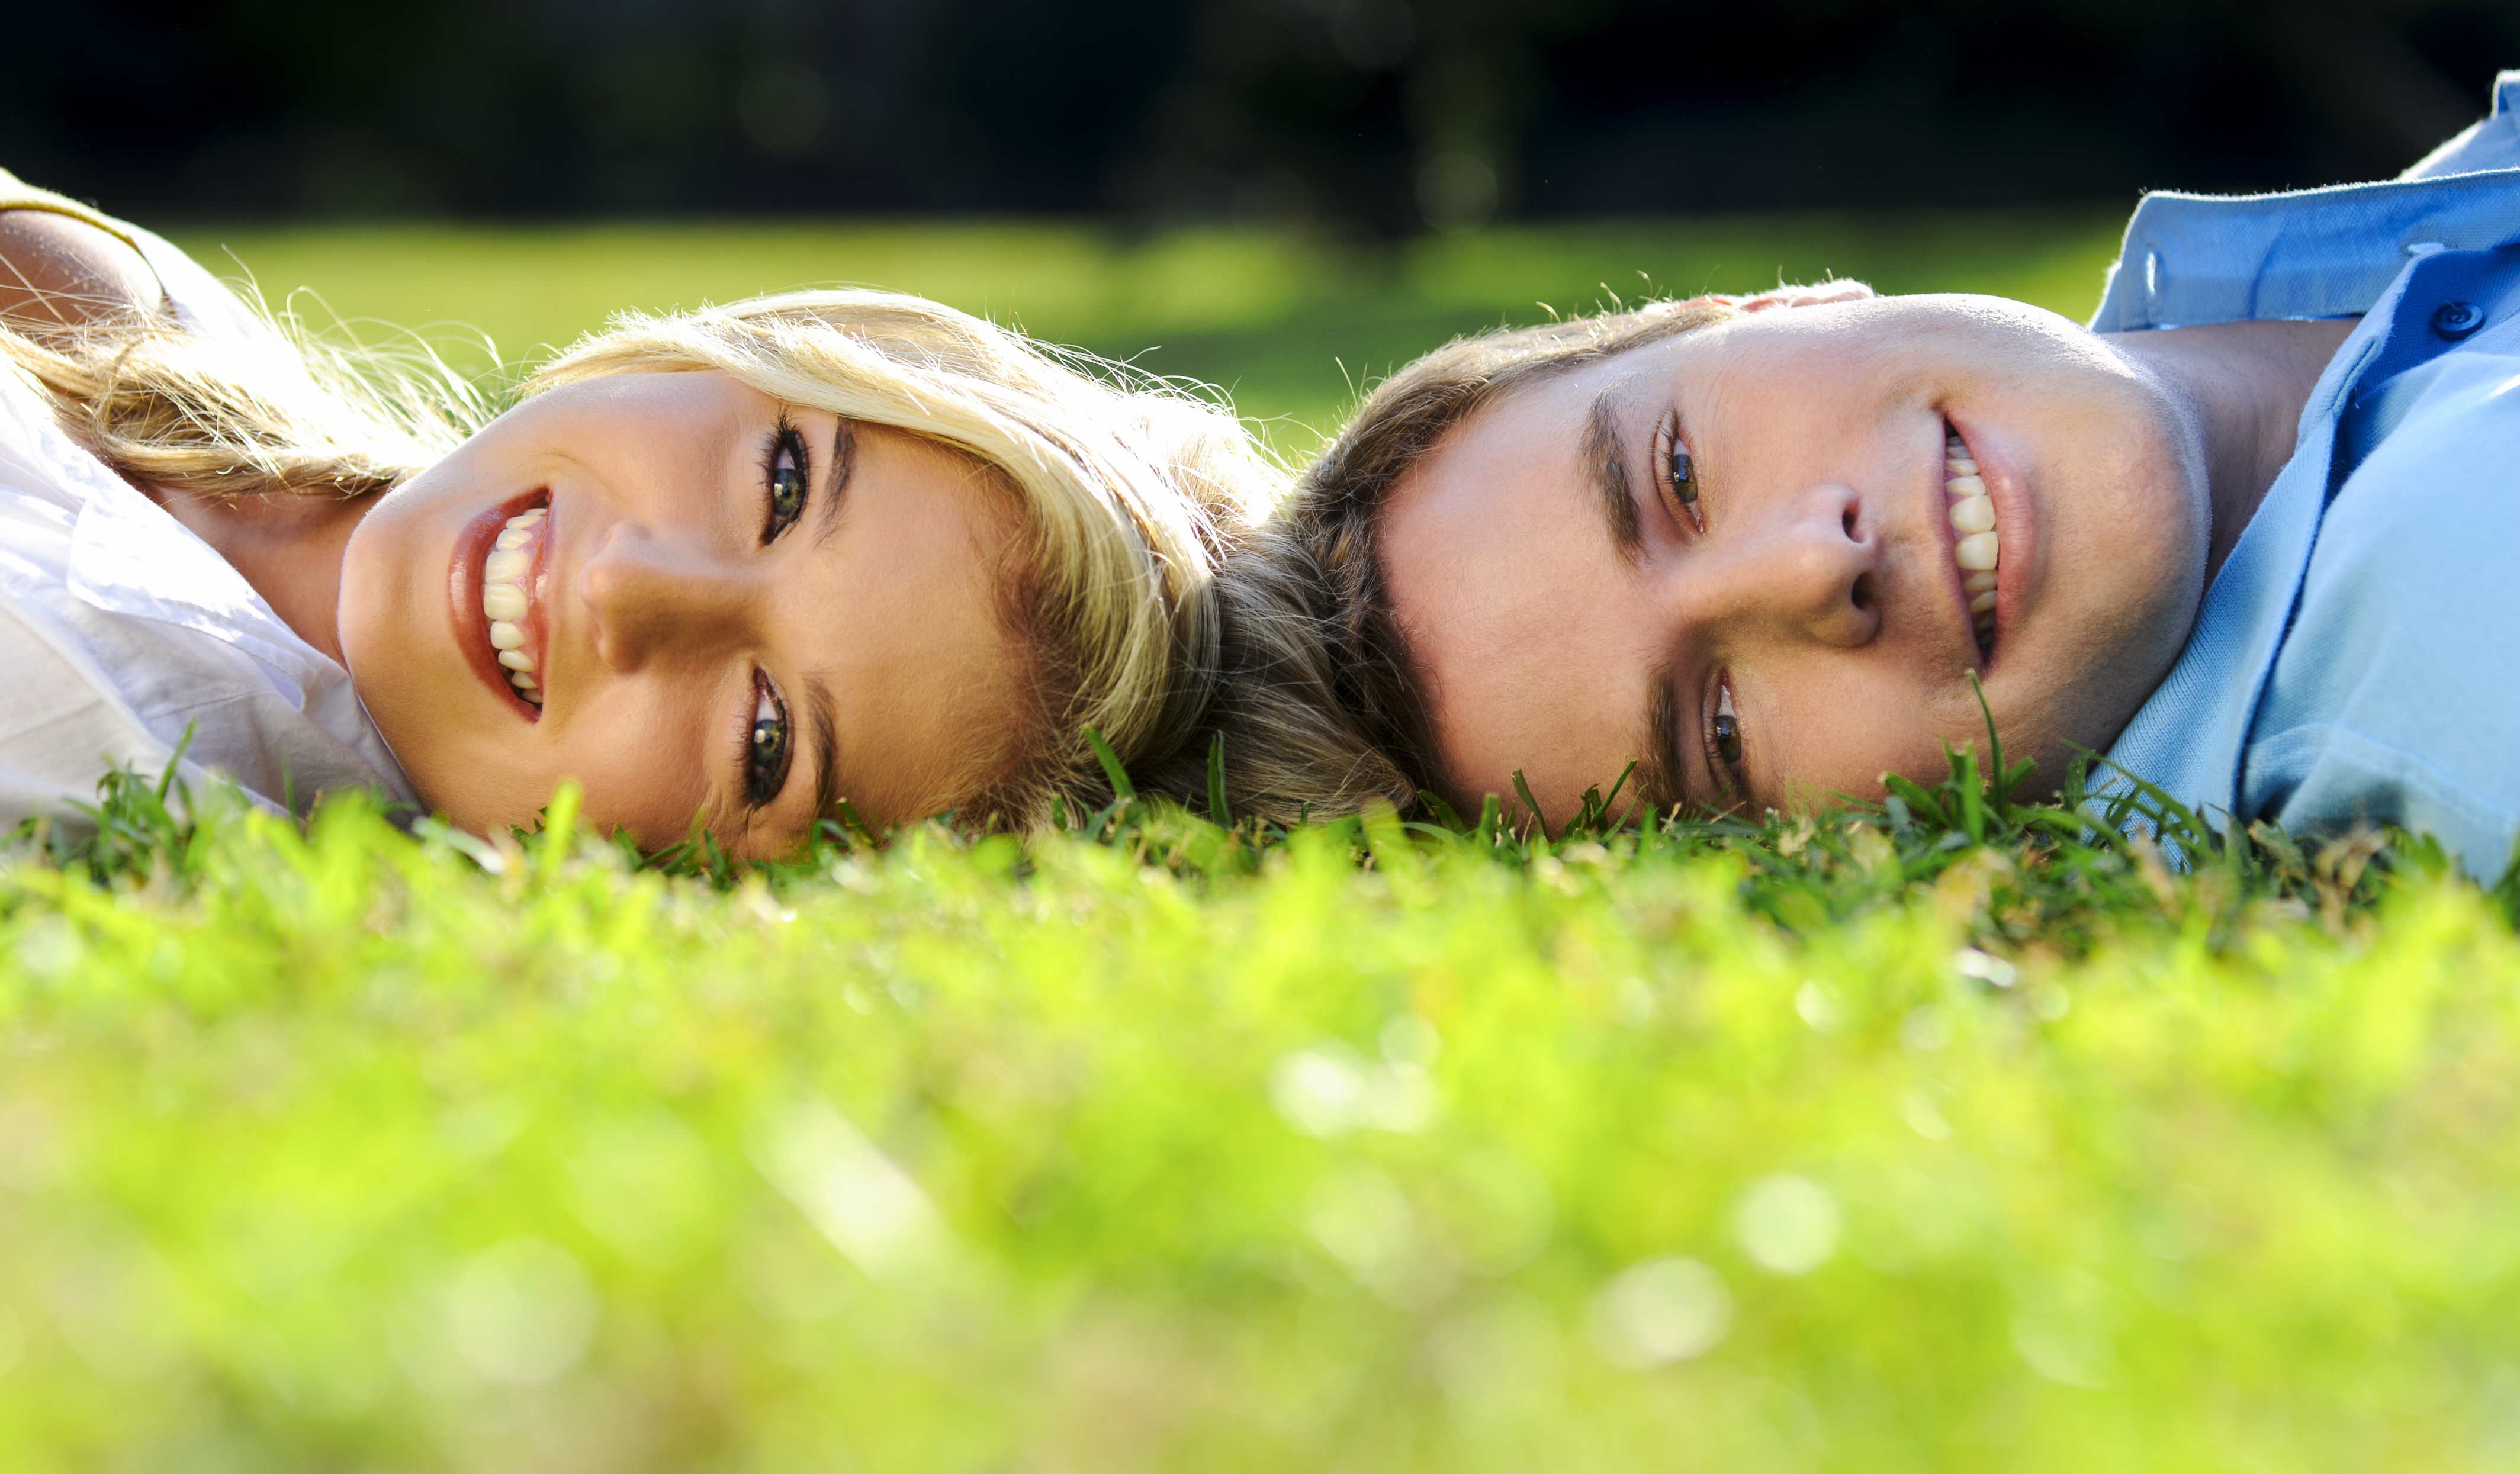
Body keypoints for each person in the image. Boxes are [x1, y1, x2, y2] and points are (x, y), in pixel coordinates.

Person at [1194, 72, 2520, 879]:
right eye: (1720, 733)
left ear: (1764, 306)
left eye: (1680, 475)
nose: (1812, 567)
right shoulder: (2448, 612)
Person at [0, 168, 1276, 855]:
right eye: (786, 483)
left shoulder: (110, 754)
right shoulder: (137, 306)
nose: (626, 588)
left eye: (767, 744)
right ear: (740, 352)